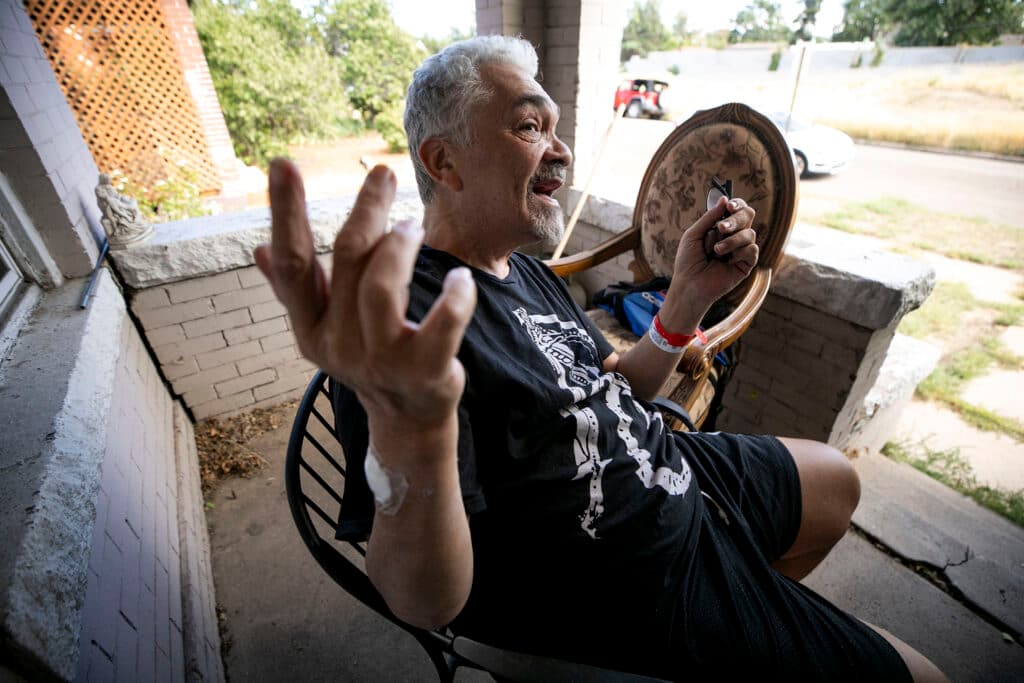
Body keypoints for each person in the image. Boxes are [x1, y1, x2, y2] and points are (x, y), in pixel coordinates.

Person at [254, 35, 946, 682]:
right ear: (443, 161)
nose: (560, 151)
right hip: (625, 581)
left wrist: (684, 299)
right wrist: (413, 435)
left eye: (555, 128)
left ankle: (749, 608)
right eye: (529, 127)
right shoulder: (405, 330)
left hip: (664, 474)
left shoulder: (524, 270)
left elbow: (605, 391)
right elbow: (419, 599)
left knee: (835, 482)